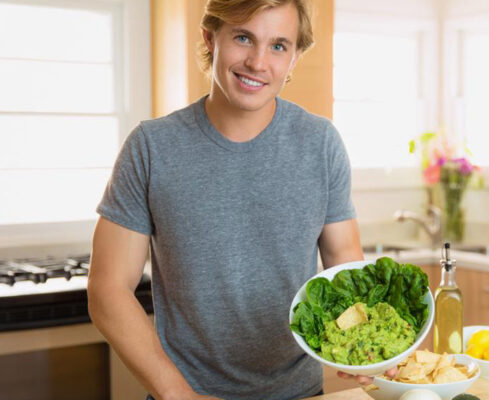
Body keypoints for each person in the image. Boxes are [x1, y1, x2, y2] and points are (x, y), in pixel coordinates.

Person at [87, 1, 391, 399]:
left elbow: (344, 259)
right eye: (243, 37)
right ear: (210, 38)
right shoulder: (151, 147)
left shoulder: (320, 143)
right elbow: (108, 289)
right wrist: (180, 395)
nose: (258, 62)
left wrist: (368, 344)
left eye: (279, 46)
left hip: (299, 392)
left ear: (295, 57)